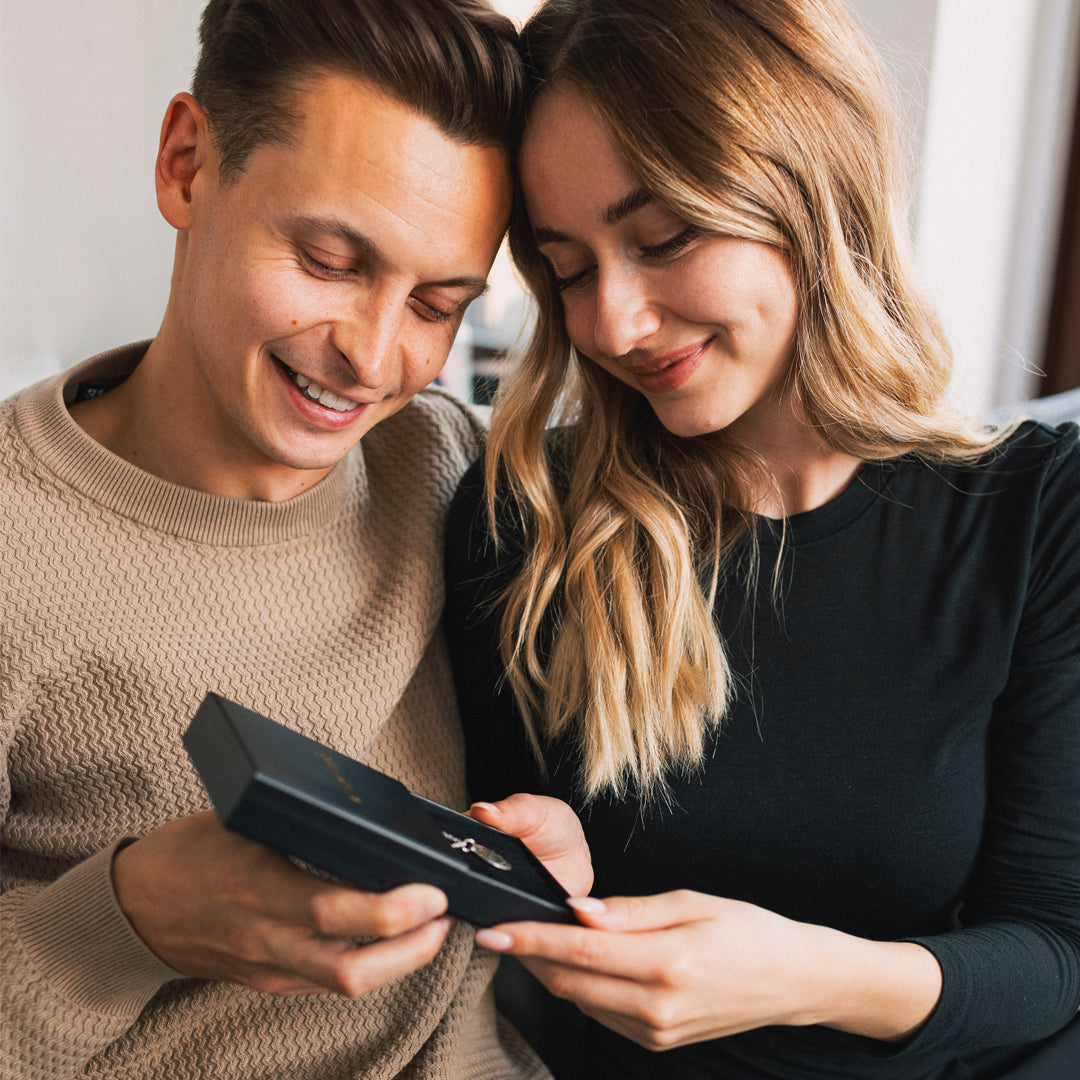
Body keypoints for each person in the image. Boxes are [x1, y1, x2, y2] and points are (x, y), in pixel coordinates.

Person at [442, 0, 1080, 1077]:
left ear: (808, 191)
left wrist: (806, 975)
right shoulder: (531, 520)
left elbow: (1055, 950)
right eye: (572, 268)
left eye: (663, 239)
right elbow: (514, 870)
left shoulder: (1035, 511)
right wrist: (543, 861)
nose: (614, 324)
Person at [0, 1, 563, 1077]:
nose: (374, 359)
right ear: (185, 164)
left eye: (437, 305)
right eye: (330, 259)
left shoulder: (444, 465)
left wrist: (542, 844)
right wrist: (126, 921)